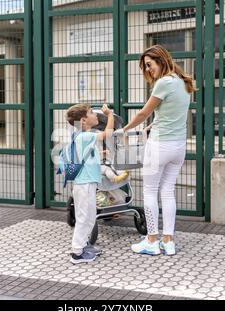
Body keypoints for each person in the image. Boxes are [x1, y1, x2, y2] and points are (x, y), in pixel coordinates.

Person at [117, 45, 195, 256]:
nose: (148, 70)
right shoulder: (183, 82)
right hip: (178, 146)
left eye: (149, 65)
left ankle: (152, 240)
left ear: (161, 60)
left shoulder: (163, 83)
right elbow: (172, 114)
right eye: (145, 67)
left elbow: (144, 113)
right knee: (168, 191)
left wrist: (123, 129)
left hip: (159, 146)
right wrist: (154, 124)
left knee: (150, 191)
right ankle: (168, 241)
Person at [65, 103, 114, 264]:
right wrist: (110, 115)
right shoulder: (85, 135)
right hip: (84, 185)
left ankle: (84, 245)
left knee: (90, 216)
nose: (96, 115)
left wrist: (100, 153)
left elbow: (86, 154)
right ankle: (77, 253)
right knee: (84, 217)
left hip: (87, 184)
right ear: (84, 120)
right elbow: (108, 133)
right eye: (92, 112)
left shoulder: (82, 135)